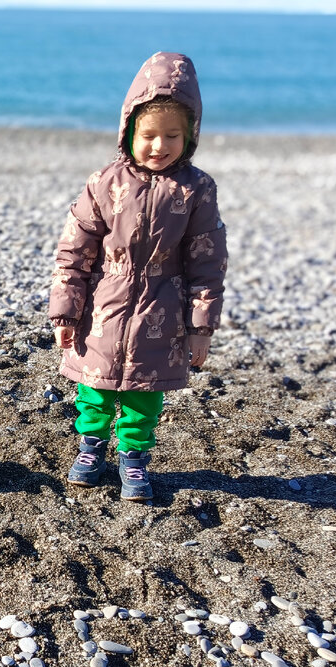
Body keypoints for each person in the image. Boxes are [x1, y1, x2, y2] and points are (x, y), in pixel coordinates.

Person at [49, 51, 227, 500]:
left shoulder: (196, 189)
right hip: (104, 306)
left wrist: (200, 327)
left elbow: (208, 259)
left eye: (173, 136)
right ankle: (91, 447)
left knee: (145, 396)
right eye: (148, 135)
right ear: (129, 131)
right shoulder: (105, 182)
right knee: (95, 388)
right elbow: (74, 250)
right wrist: (65, 313)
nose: (159, 146)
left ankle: (134, 459)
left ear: (190, 137)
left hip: (163, 312)